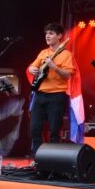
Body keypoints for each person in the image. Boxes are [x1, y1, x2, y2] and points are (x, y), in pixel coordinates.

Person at [28, 23, 75, 155]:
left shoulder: (66, 54)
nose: (47, 36)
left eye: (51, 33)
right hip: (40, 94)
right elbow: (32, 67)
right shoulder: (43, 53)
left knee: (55, 130)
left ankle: (52, 160)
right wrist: (32, 69)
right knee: (34, 129)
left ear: (59, 36)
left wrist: (54, 67)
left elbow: (68, 75)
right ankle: (38, 159)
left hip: (56, 95)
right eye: (46, 33)